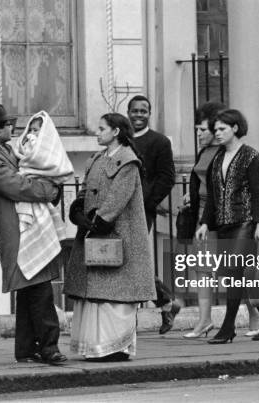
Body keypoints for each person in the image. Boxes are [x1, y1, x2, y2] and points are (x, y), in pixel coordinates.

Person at [65, 112, 156, 361]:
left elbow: (118, 197)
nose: (97, 132)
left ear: (115, 132)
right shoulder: (97, 159)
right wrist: (78, 210)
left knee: (116, 296)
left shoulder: (128, 161)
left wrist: (100, 221)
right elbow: (86, 189)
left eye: (101, 128)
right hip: (96, 235)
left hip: (119, 237)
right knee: (97, 295)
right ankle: (97, 347)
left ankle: (116, 347)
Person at [0, 104, 67, 365]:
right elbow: (14, 185)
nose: (13, 127)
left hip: (22, 224)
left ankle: (25, 349)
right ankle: (49, 347)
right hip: (16, 227)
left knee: (29, 288)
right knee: (40, 288)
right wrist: (48, 191)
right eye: (9, 123)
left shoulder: (6, 150)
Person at [196, 109, 259, 343]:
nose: (217, 133)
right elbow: (212, 196)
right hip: (223, 224)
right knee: (241, 277)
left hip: (245, 222)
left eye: (222, 129)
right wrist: (204, 223)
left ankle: (227, 328)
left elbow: (257, 194)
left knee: (233, 274)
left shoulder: (251, 156)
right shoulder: (217, 158)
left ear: (235, 128)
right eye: (215, 130)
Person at [127, 95, 179, 334]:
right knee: (128, 259)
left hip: (141, 209)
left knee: (131, 257)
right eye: (135, 110)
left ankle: (164, 302)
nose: (139, 114)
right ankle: (167, 302)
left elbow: (167, 177)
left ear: (149, 113)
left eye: (143, 111)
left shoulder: (159, 141)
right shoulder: (121, 139)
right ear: (128, 112)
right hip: (117, 208)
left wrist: (148, 202)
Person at [11, 110, 74, 280]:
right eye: (30, 130)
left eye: (36, 130)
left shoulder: (49, 148)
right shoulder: (20, 148)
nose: (32, 134)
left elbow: (53, 167)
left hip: (41, 195)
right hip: (29, 196)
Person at [180, 104, 224, 338]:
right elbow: (199, 179)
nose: (198, 134)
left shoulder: (225, 152)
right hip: (201, 216)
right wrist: (191, 195)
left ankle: (258, 316)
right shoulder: (203, 152)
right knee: (203, 270)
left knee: (233, 271)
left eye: (201, 129)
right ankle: (204, 320)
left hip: (220, 217)